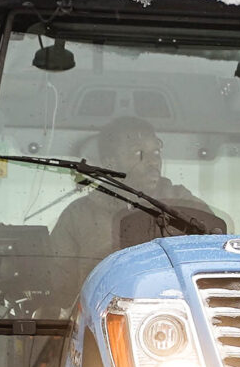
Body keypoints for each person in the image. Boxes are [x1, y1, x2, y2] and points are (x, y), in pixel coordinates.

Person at [45, 114, 227, 270]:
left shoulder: (184, 205)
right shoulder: (79, 215)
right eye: (138, 154)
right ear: (110, 164)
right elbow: (59, 287)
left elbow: (216, 256)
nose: (153, 162)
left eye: (156, 152)